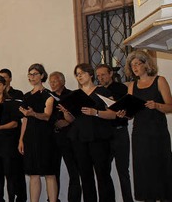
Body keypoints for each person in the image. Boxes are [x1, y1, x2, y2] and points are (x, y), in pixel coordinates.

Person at [120, 50, 172, 201]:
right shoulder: (132, 86)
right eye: (132, 65)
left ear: (146, 64)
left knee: (160, 168)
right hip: (140, 133)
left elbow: (170, 106)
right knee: (144, 169)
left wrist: (156, 105)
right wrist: (124, 114)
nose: (135, 67)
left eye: (137, 64)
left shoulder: (159, 80)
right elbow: (131, 113)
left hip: (157, 132)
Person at [60, 63, 116, 202]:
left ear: (90, 74)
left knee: (102, 175)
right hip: (80, 138)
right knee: (85, 176)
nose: (79, 76)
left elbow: (113, 114)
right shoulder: (74, 95)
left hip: (98, 137)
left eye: (82, 73)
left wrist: (95, 112)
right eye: (77, 74)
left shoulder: (103, 91)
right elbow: (72, 119)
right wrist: (66, 113)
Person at [17, 63, 58, 202]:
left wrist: (33, 113)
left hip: (45, 137)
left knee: (49, 173)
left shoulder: (48, 95)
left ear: (42, 75)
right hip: (30, 137)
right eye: (30, 74)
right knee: (33, 174)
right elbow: (25, 120)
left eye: (35, 74)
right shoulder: (26, 96)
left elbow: (47, 116)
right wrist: (21, 140)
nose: (31, 77)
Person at [96, 64, 133, 202]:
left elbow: (128, 112)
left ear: (111, 74)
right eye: (98, 76)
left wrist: (114, 104)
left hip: (119, 132)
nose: (100, 78)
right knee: (103, 172)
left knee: (123, 171)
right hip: (103, 135)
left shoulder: (121, 88)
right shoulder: (97, 91)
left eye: (103, 75)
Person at [48, 71, 81, 202]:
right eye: (50, 82)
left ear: (63, 82)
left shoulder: (72, 95)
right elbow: (46, 117)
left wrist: (67, 121)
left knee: (74, 172)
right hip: (53, 139)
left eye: (55, 81)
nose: (52, 84)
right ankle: (53, 199)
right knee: (53, 173)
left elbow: (78, 116)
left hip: (69, 138)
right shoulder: (48, 97)